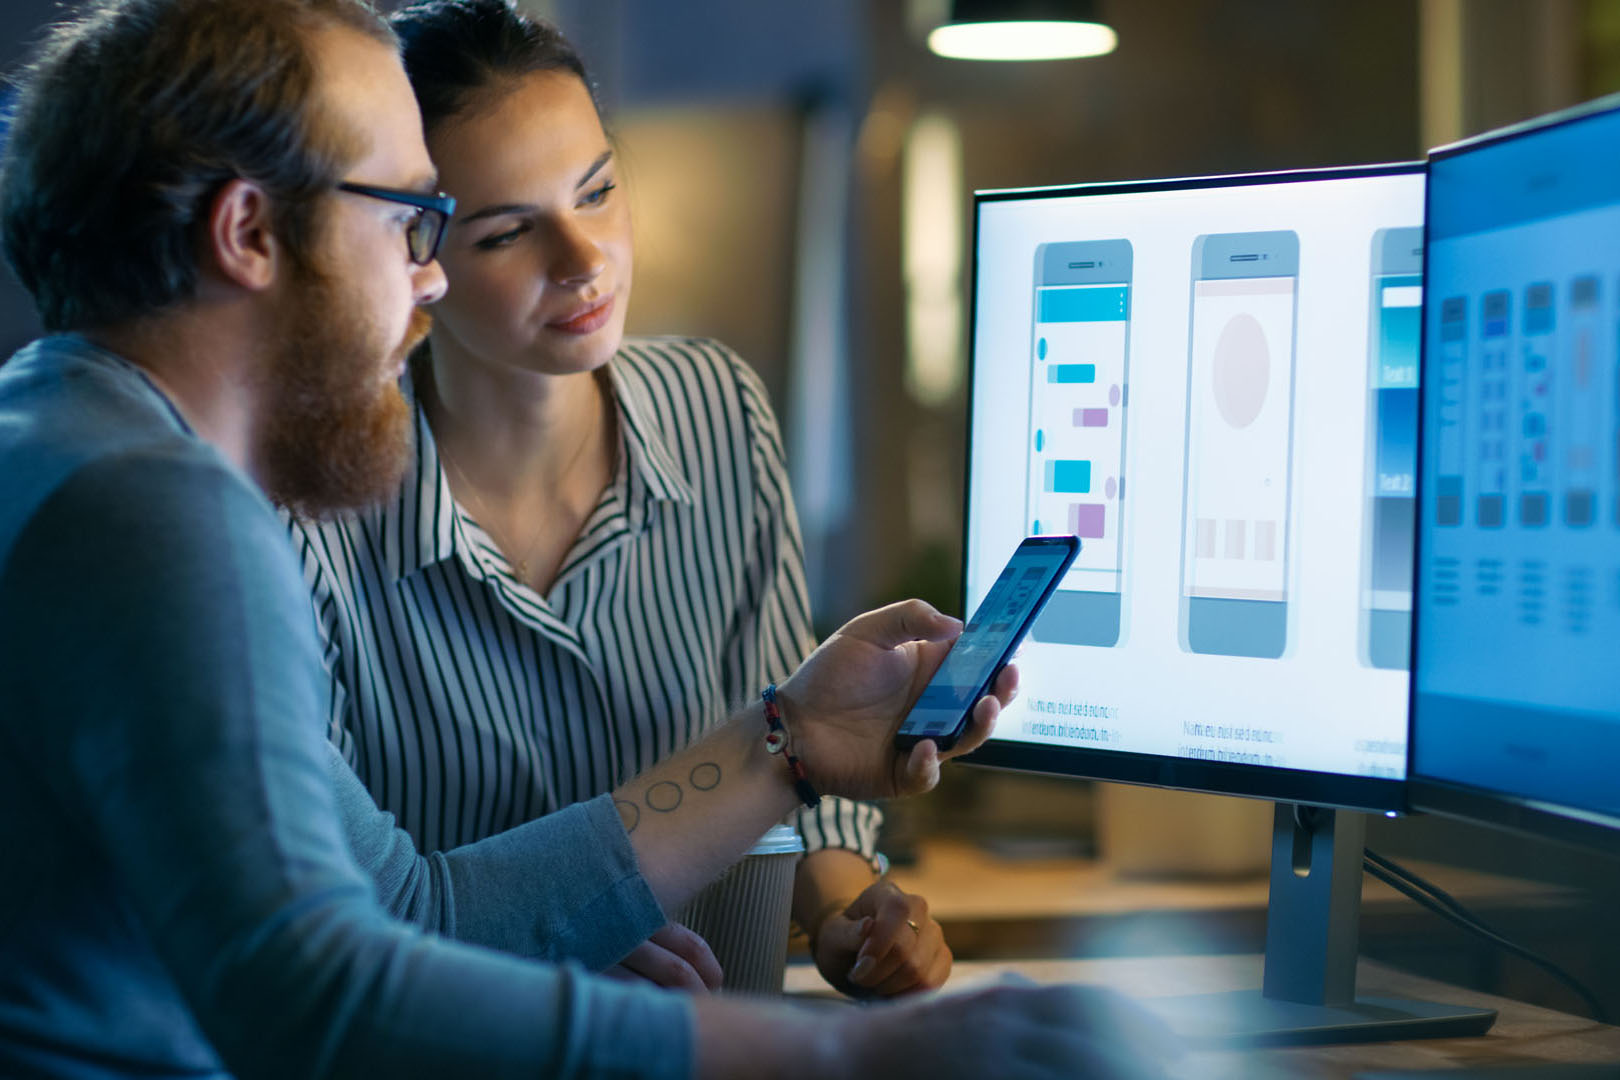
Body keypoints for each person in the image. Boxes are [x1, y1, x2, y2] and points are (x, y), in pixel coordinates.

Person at [0, 1, 1180, 1077]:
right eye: (417, 221)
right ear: (250, 232)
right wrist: (856, 1064)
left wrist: (797, 740)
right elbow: (328, 1005)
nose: (425, 285)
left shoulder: (59, 437)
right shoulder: (162, 514)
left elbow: (415, 912)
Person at [284, 0, 944, 997]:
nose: (584, 259)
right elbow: (322, 911)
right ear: (415, 258)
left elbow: (796, 766)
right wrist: (534, 941)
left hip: (726, 1047)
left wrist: (854, 916)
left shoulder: (719, 410)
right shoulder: (314, 507)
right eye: (511, 233)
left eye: (596, 192)